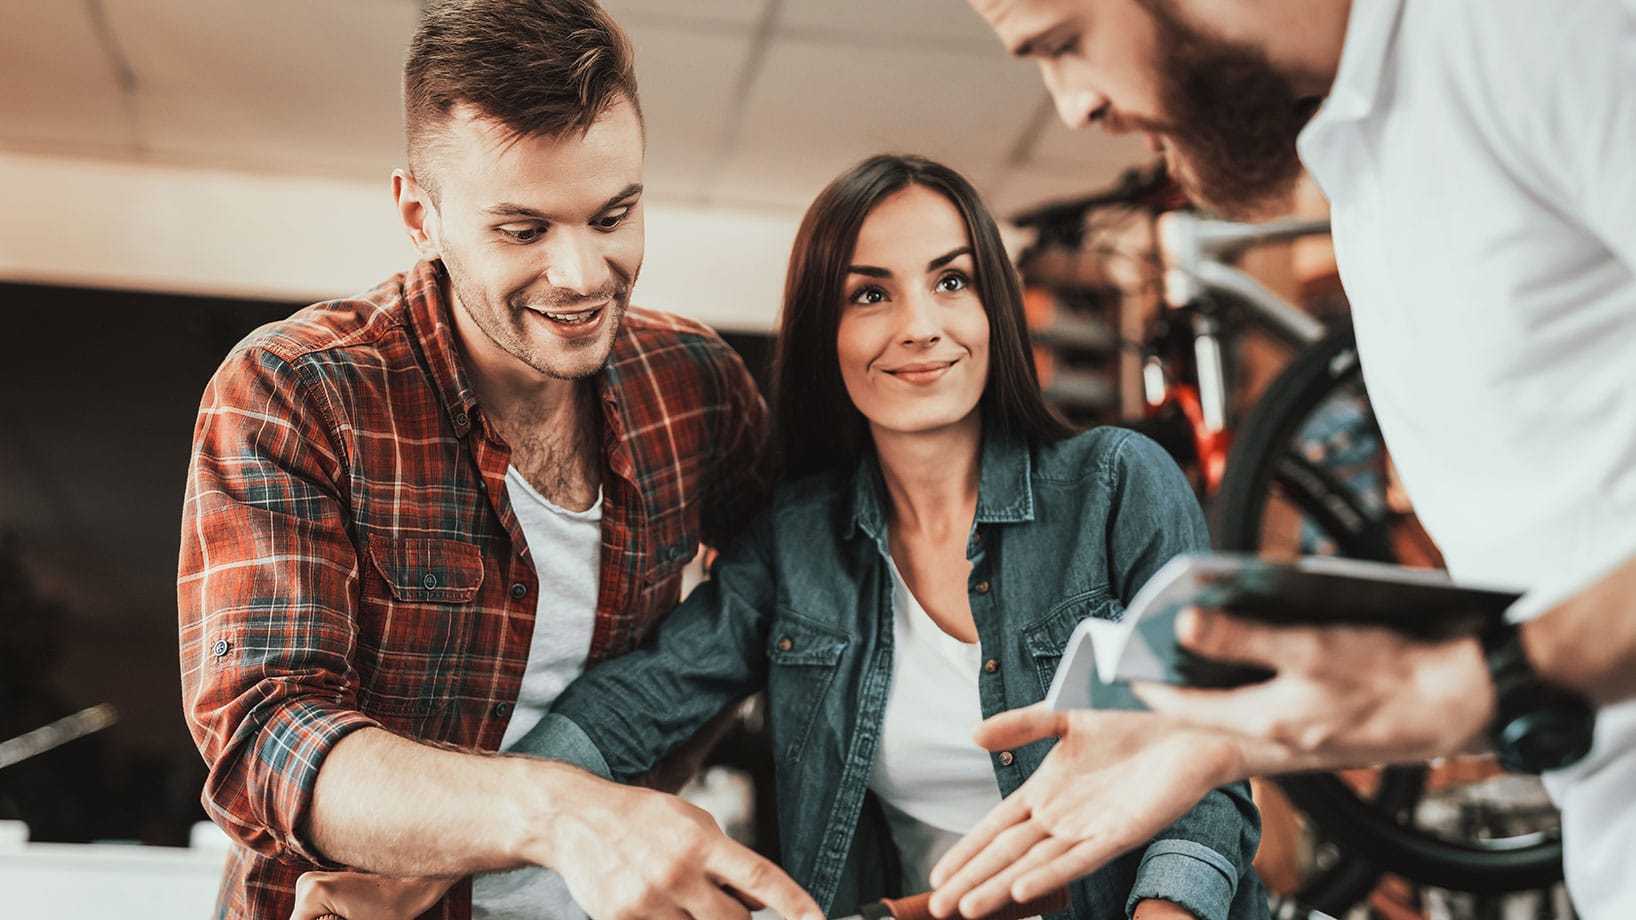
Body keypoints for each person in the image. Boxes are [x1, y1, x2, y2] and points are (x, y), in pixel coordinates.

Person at [299, 152, 1270, 920]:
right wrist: (435, 859)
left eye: (952, 280)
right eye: (869, 293)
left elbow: (1202, 763)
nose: (921, 325)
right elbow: (632, 706)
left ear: (993, 306)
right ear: (825, 328)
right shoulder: (801, 538)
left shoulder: (1114, 484)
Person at [932, 1, 1636, 918]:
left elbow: (1505, 657)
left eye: (1064, 44)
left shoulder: (1532, 28)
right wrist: (1238, 726)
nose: (1070, 106)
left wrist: (1479, 677)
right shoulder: (1367, 152)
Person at [176, 2, 825, 919]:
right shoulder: (299, 392)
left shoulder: (697, 387)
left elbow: (781, 595)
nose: (582, 274)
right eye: (524, 230)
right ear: (419, 214)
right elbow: (266, 736)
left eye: (615, 215)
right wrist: (563, 813)